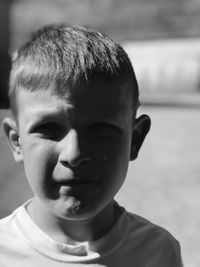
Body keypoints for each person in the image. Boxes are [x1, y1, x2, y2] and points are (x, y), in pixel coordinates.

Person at [0, 24, 183, 266]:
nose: (74, 154)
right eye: (48, 129)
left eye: (101, 129)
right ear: (16, 141)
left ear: (135, 139)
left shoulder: (157, 252)